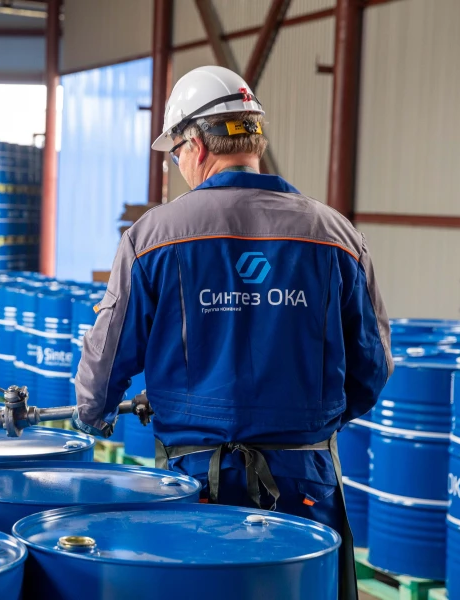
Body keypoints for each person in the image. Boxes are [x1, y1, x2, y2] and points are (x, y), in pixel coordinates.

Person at [72, 65, 392, 600]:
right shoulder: (336, 235)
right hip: (304, 476)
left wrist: (93, 412)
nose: (177, 166)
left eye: (175, 153)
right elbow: (372, 366)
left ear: (196, 145)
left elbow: (106, 359)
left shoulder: (154, 236)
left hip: (196, 479)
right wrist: (308, 421)